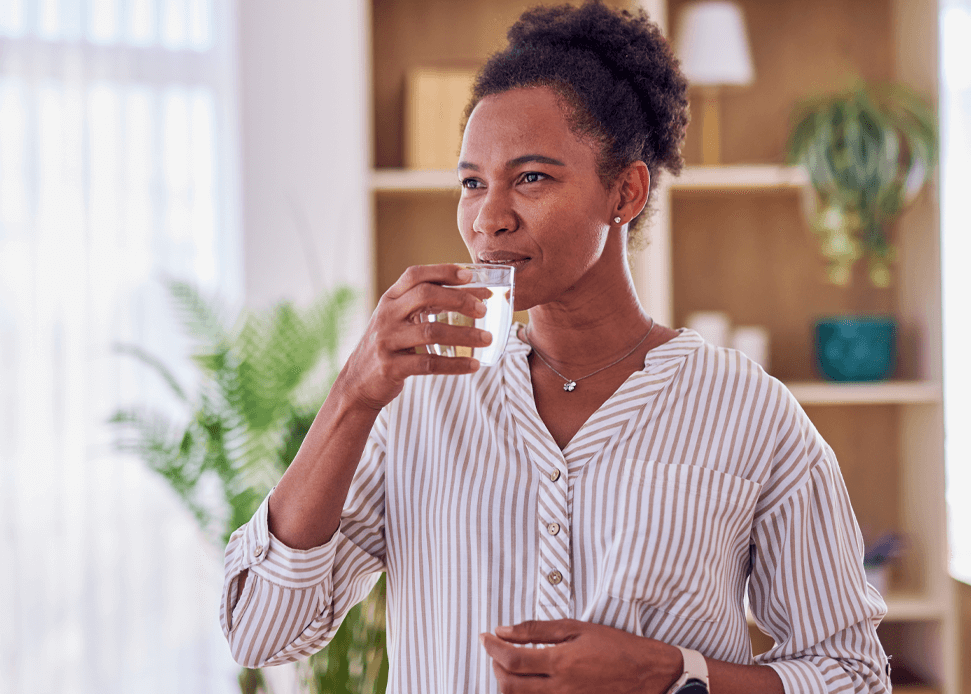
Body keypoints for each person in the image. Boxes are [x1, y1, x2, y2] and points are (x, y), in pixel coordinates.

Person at [219, 3, 891, 692]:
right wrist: (351, 394)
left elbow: (851, 676)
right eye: (472, 182)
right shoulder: (414, 404)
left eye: (531, 177)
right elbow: (262, 631)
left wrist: (671, 675)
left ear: (624, 192)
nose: (488, 217)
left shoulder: (750, 412)